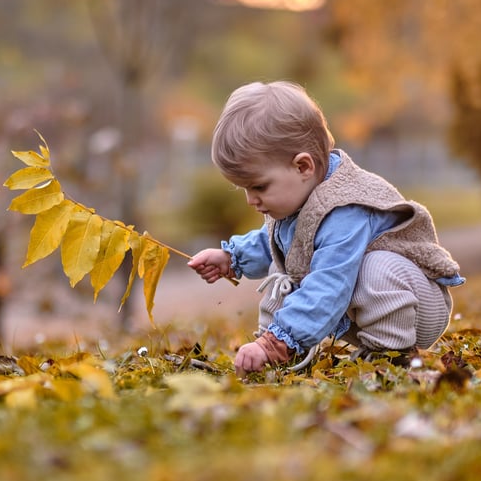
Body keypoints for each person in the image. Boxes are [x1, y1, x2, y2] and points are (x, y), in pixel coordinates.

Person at [187, 81, 465, 376]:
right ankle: (281, 346)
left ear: (303, 167)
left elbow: (329, 285)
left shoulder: (345, 209)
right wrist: (232, 258)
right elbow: (277, 241)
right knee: (284, 266)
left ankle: (390, 355)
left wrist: (274, 344)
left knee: (374, 268)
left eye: (259, 187)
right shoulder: (301, 198)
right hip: (372, 305)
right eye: (244, 188)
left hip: (418, 307)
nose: (250, 200)